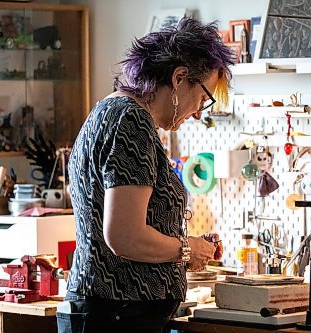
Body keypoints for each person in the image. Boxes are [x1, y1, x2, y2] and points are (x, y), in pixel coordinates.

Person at [57, 17, 235, 333]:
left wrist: (184, 246)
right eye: (203, 99)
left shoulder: (111, 111)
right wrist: (187, 248)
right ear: (180, 77)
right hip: (118, 313)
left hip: (110, 308)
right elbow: (125, 237)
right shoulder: (131, 122)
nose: (197, 113)